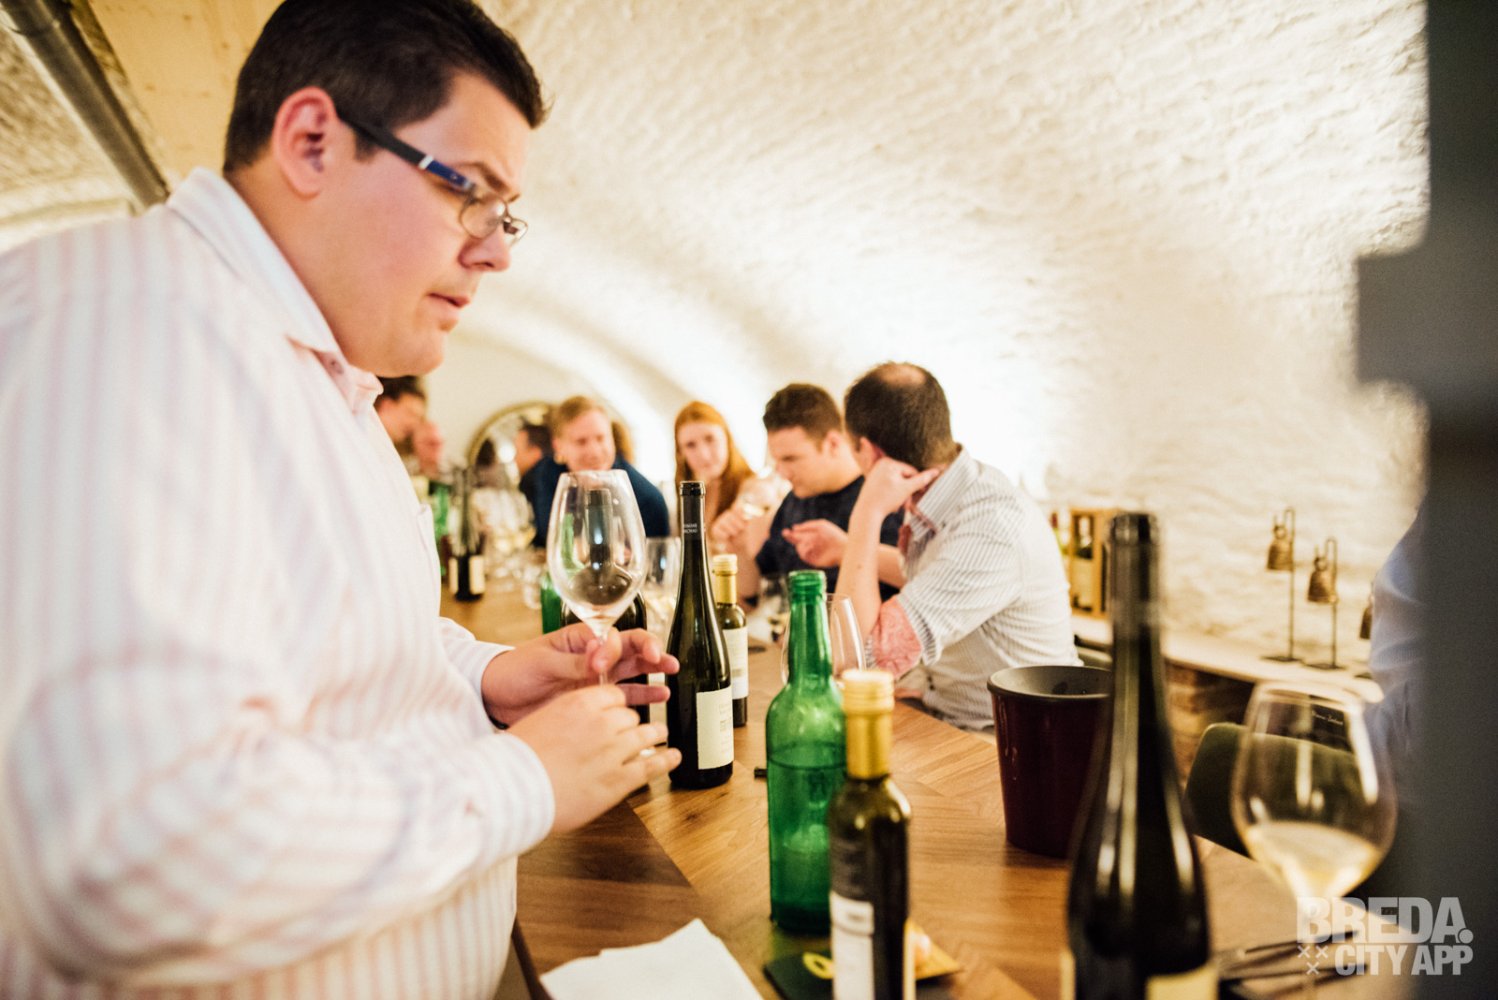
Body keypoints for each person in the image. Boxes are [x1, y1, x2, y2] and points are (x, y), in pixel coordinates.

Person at [0, 2, 680, 996]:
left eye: (506, 216)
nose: (497, 252)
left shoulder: (315, 370)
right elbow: (133, 860)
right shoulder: (128, 328)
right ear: (313, 141)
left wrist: (486, 677)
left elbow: (330, 631)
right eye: (470, 193)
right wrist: (525, 779)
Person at [833, 363, 1078, 730]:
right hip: (949, 715)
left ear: (869, 453)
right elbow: (933, 575)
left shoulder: (990, 526)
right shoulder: (946, 491)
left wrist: (865, 516)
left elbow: (857, 664)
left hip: (1016, 738)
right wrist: (841, 548)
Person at [719, 384, 903, 602]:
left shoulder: (885, 496)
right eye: (777, 461)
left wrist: (846, 549)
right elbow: (755, 595)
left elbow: (919, 577)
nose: (782, 473)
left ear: (832, 444)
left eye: (790, 459)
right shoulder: (794, 501)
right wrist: (739, 550)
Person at [530, 395, 671, 546]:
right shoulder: (550, 474)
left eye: (601, 438)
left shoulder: (647, 500)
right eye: (581, 442)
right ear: (559, 446)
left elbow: (650, 556)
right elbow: (550, 536)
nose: (594, 452)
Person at [674, 400, 782, 536]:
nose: (704, 455)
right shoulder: (692, 498)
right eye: (690, 445)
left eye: (710, 439)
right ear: (681, 453)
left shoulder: (755, 492)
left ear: (727, 438)